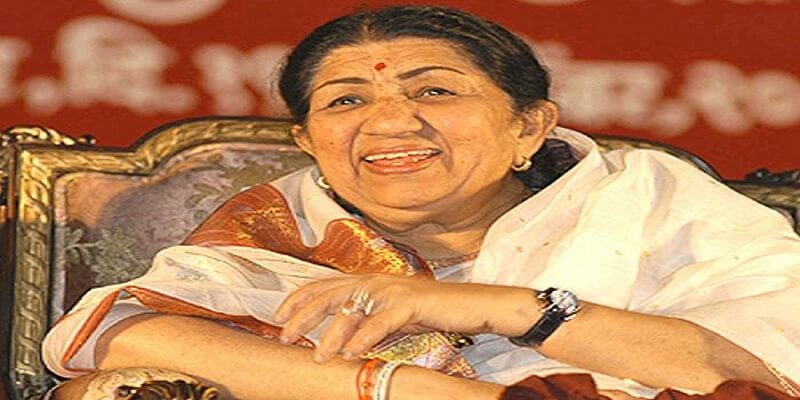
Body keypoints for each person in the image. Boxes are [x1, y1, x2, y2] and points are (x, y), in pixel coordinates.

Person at [43, 5, 800, 400]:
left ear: (529, 125)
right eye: (346, 100)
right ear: (307, 141)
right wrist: (417, 388)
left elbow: (757, 373)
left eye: (434, 91)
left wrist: (499, 309)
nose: (389, 124)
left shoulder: (649, 201)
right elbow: (120, 339)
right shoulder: (283, 230)